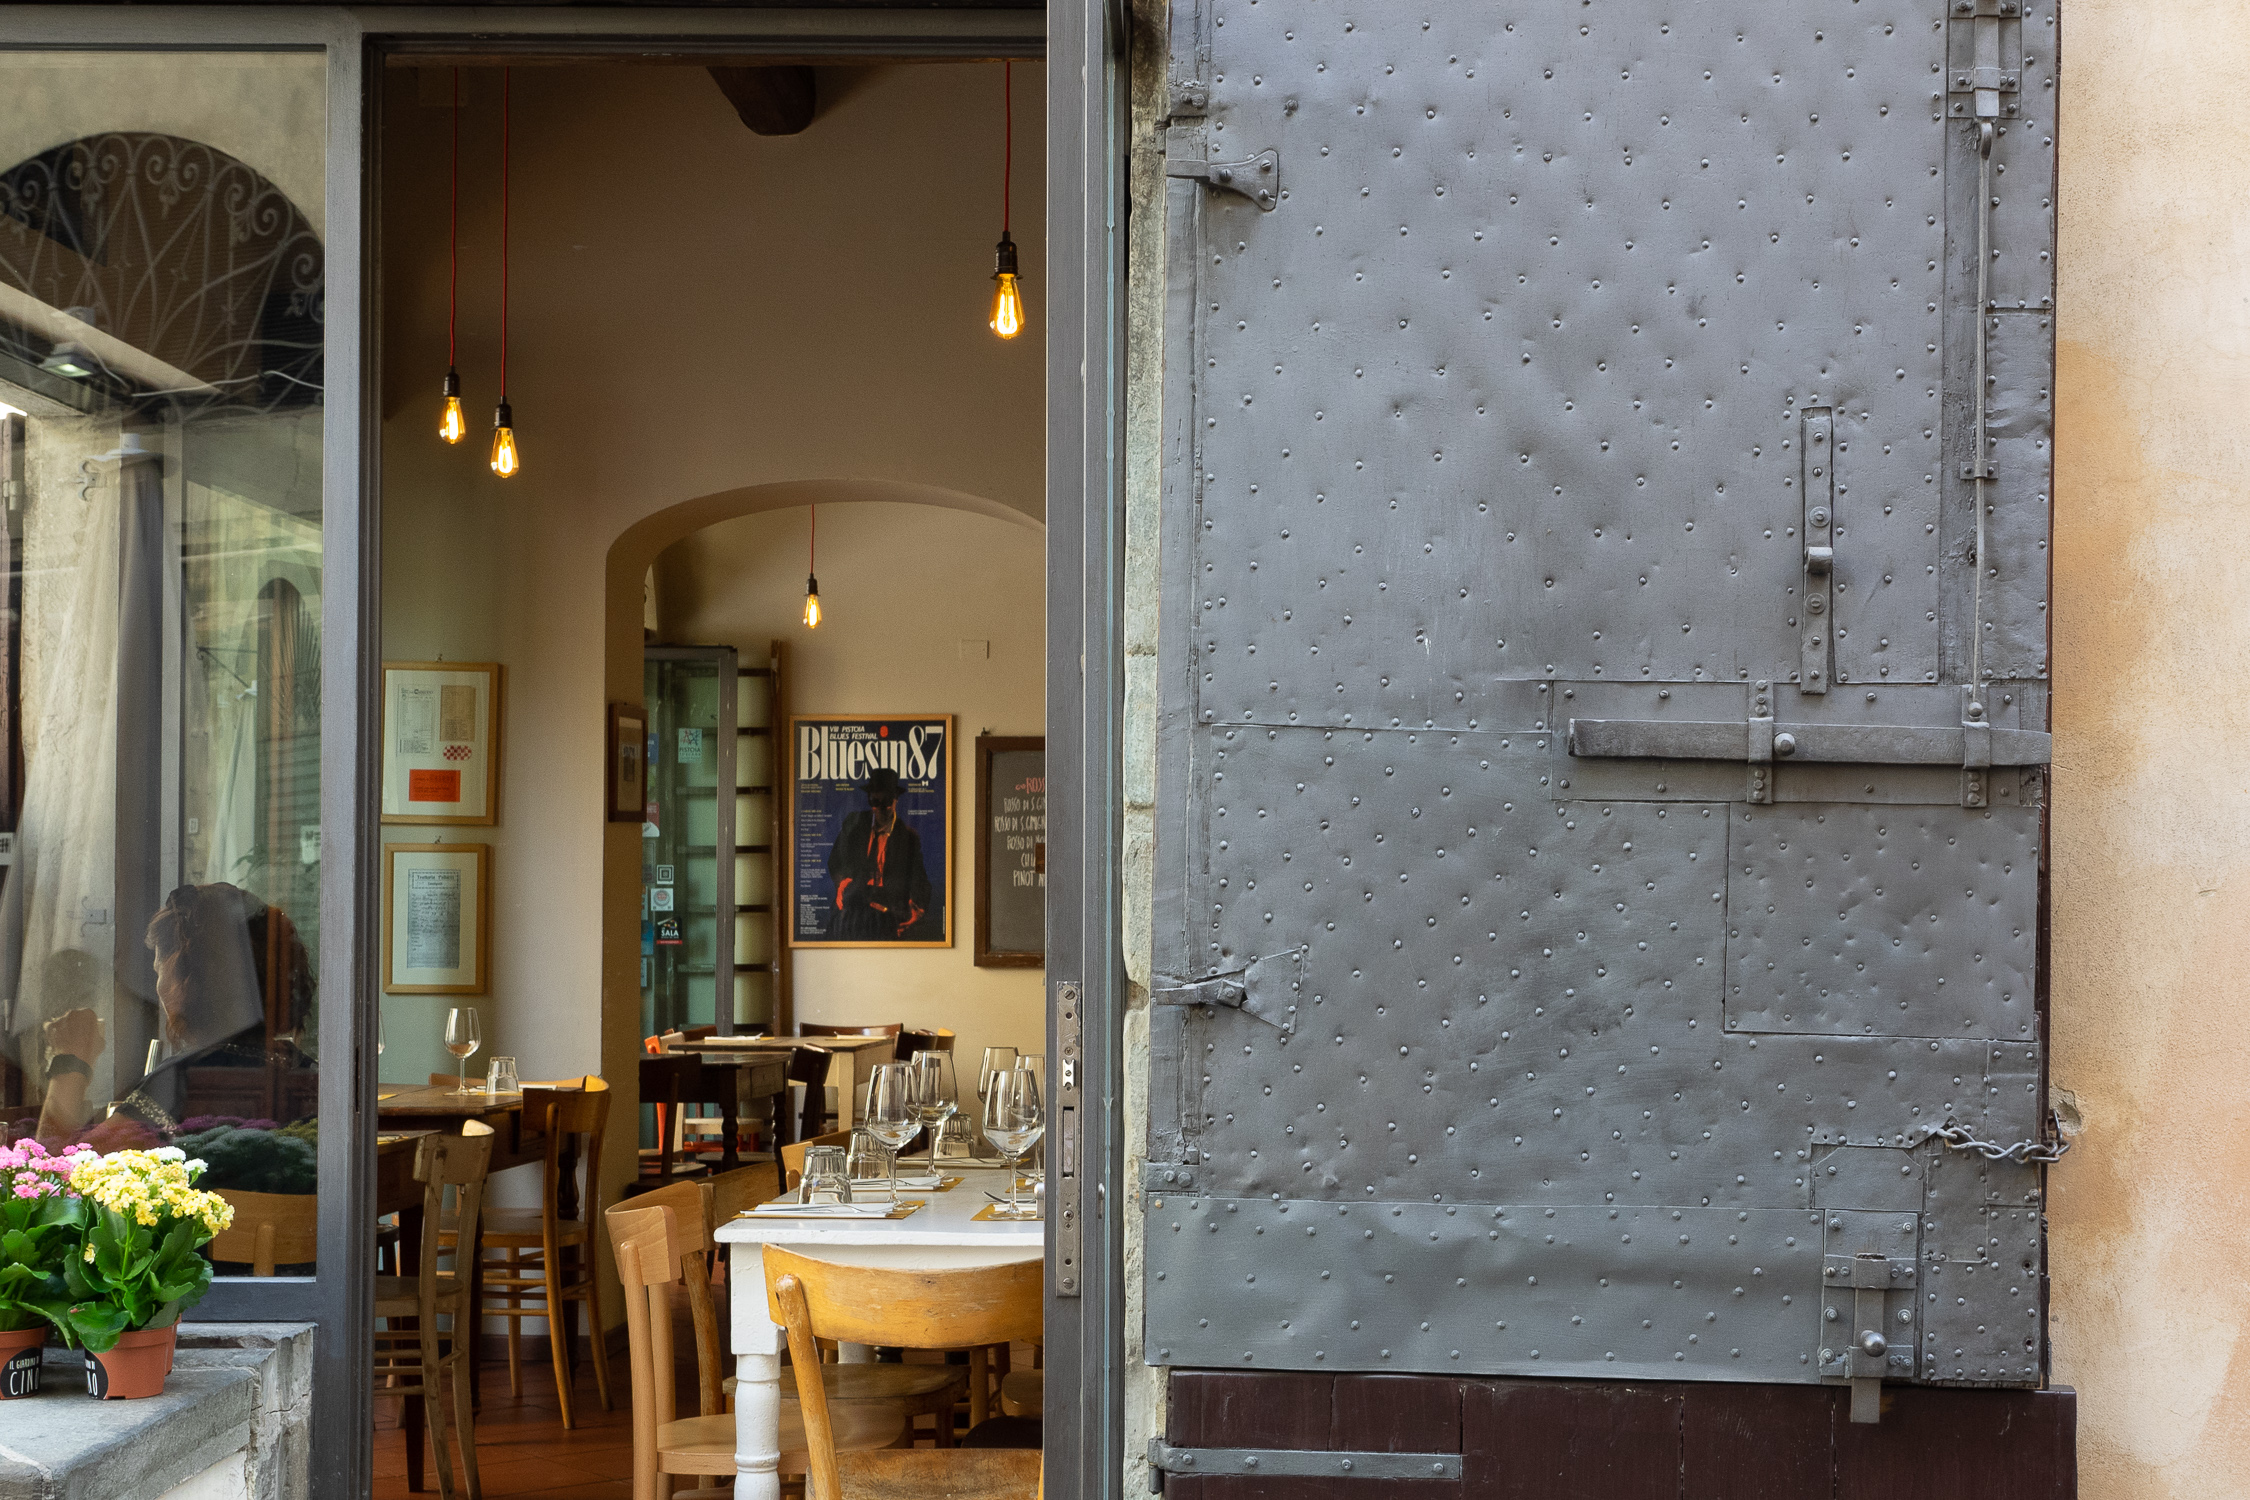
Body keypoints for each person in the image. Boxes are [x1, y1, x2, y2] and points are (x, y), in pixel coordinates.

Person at [35, 883, 314, 1148]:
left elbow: (54, 1171)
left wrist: (69, 1061)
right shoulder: (310, 1075)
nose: (157, 989)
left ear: (186, 979)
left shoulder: (184, 1080)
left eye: (158, 971)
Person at [825, 766, 934, 941]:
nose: (881, 808)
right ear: (869, 799)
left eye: (887, 802)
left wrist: (918, 909)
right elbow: (835, 862)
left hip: (887, 911)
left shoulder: (909, 837)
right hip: (855, 904)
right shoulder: (855, 824)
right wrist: (842, 884)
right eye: (875, 802)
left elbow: (920, 881)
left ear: (896, 799)